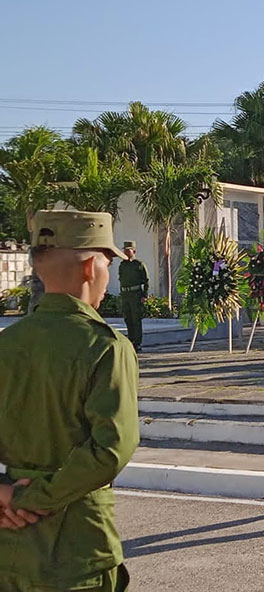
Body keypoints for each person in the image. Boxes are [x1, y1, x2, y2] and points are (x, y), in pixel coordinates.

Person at [0, 209, 140, 591]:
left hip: (9, 551)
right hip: (79, 552)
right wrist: (31, 497)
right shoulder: (105, 347)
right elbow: (111, 450)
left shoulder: (6, 345)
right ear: (90, 268)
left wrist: (5, 492)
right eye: (107, 263)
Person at [118, 240, 149, 351]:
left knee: (136, 319)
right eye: (125, 250)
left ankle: (137, 342)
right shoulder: (122, 265)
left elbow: (146, 280)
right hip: (125, 294)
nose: (125, 252)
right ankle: (130, 340)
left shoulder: (139, 265)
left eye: (128, 250)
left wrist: (144, 295)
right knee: (128, 318)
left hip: (136, 295)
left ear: (134, 251)